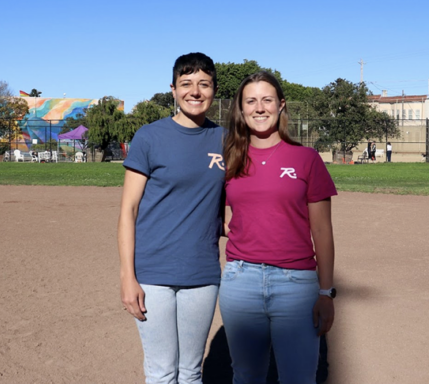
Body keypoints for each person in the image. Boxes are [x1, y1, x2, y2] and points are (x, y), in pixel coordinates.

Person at [221, 71, 338, 383]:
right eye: (251, 101)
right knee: (246, 376)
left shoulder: (306, 158)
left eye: (267, 100)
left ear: (281, 105)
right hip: (240, 281)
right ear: (241, 109)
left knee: (299, 377)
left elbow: (323, 231)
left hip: (295, 285)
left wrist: (326, 292)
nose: (259, 108)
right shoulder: (228, 159)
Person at [118, 52, 225, 384]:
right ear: (174, 90)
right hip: (153, 273)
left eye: (203, 84)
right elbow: (128, 211)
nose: (195, 91)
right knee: (162, 371)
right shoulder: (150, 137)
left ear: (213, 90)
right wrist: (127, 277)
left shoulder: (226, 139)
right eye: (186, 84)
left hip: (202, 272)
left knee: (191, 372)